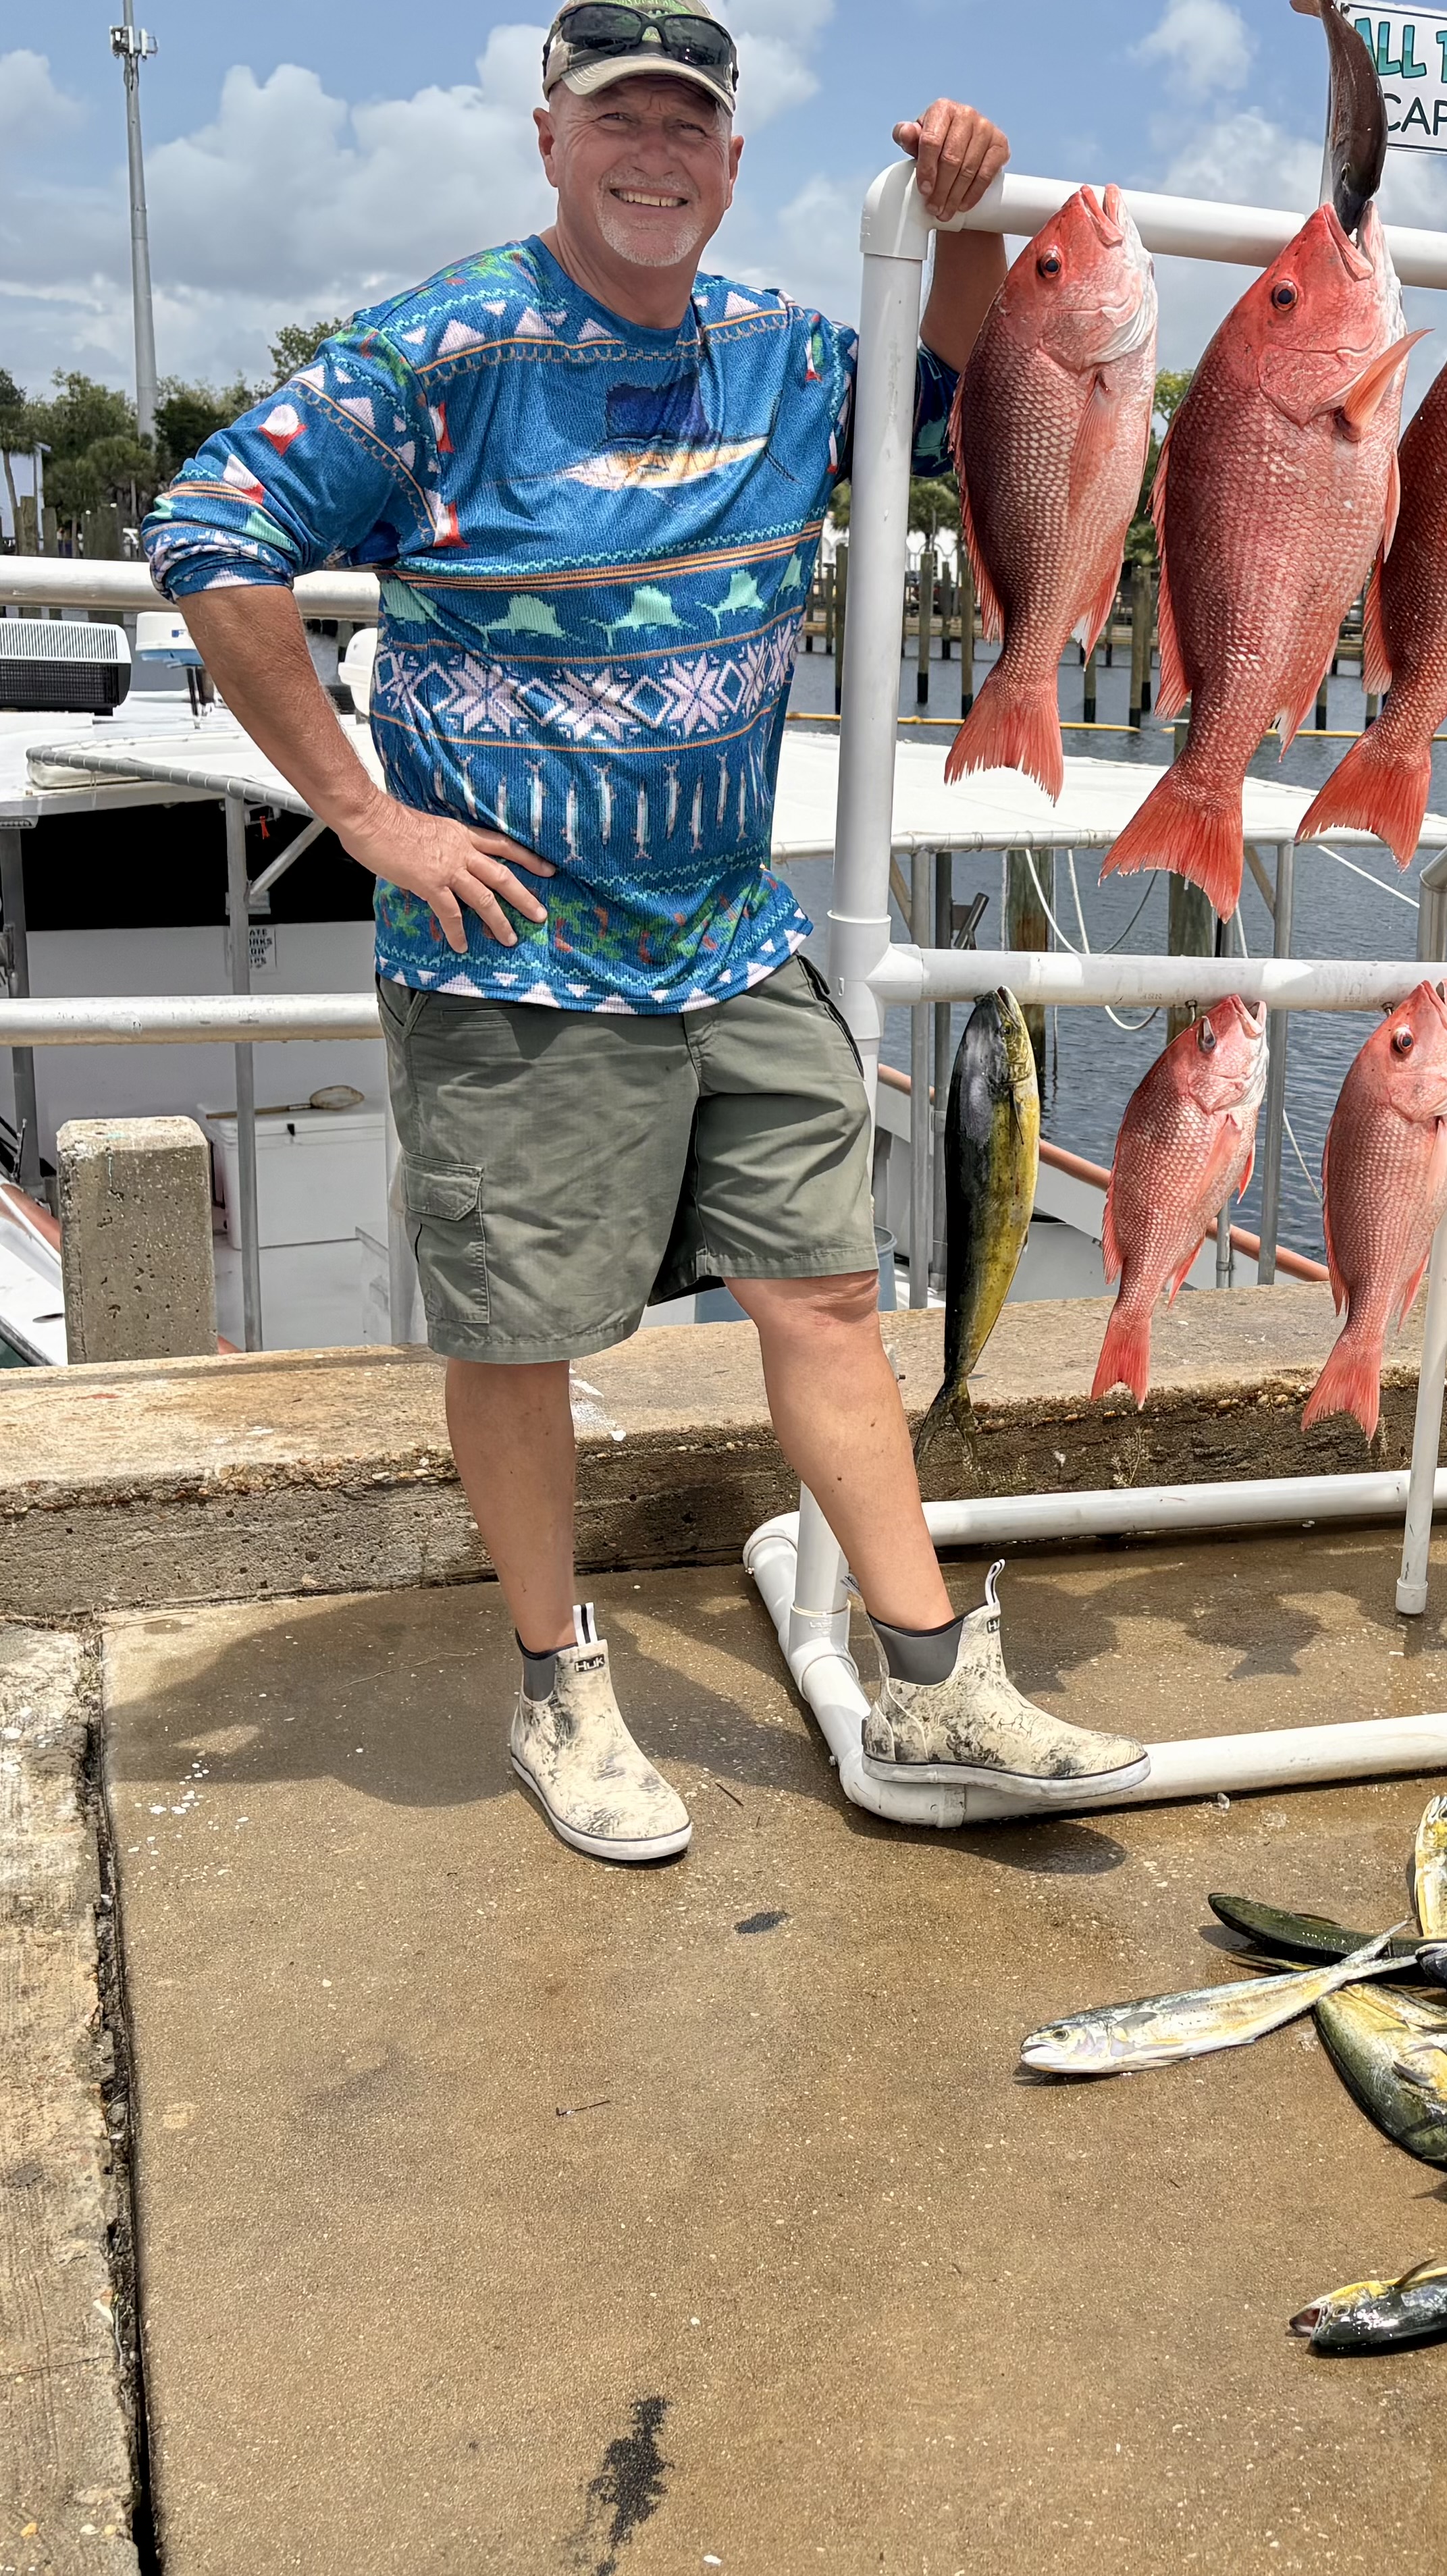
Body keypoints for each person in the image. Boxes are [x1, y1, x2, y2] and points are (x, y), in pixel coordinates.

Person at [148, 2, 1150, 1861]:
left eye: (689, 125)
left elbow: (976, 399)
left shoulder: (782, 350)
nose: (654, 155)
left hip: (729, 934)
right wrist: (363, 814)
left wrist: (971, 224)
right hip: (510, 949)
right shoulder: (443, 347)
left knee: (827, 1290)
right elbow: (212, 529)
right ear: (550, 139)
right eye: (618, 118)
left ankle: (935, 1683)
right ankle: (556, 1684)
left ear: (735, 163)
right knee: (523, 1336)